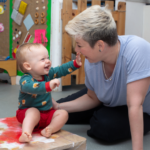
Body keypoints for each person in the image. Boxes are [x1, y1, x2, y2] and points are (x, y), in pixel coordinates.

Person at [52, 5, 150, 150]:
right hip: (105, 100)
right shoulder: (92, 60)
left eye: (79, 45)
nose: (77, 50)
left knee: (103, 128)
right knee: (57, 111)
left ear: (100, 46)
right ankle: (99, 112)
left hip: (139, 110)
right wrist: (58, 106)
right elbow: (92, 97)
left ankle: (103, 115)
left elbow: (135, 106)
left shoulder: (137, 49)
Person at [16, 43, 82, 143]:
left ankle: (49, 129)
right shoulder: (25, 79)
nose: (47, 61)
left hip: (46, 114)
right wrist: (47, 85)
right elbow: (31, 87)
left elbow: (60, 70)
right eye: (42, 59)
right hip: (27, 114)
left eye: (48, 57)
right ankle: (26, 133)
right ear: (28, 66)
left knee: (63, 113)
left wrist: (74, 64)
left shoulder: (47, 74)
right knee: (33, 111)